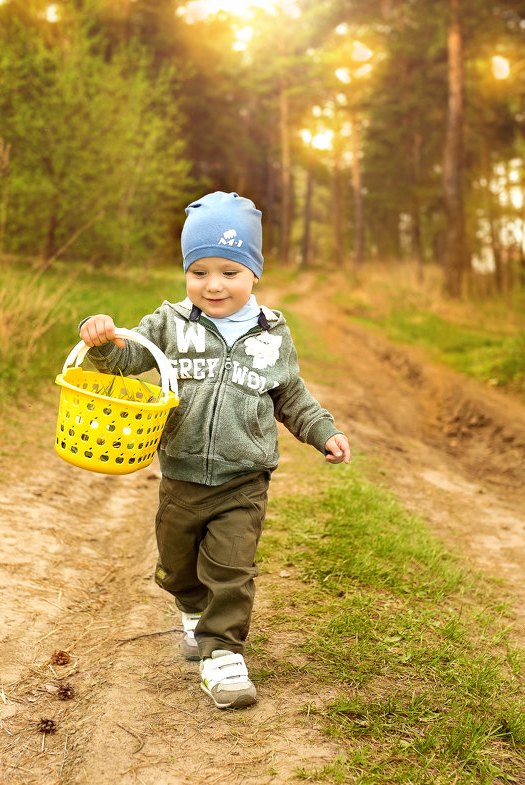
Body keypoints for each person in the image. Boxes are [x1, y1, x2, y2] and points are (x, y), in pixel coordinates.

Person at [79, 190, 351, 709]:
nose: (213, 284)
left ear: (254, 272)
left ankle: (222, 654)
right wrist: (102, 340)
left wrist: (322, 430)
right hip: (181, 474)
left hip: (243, 479)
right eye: (199, 271)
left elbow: (290, 394)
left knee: (231, 569)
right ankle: (192, 608)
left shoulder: (272, 334)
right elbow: (126, 358)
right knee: (178, 567)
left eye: (230, 271)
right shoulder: (170, 323)